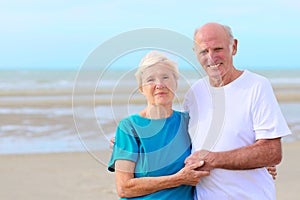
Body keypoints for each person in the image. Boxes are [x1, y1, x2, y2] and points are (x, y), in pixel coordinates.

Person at [183, 22, 292, 199]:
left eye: (217, 49)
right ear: (195, 53)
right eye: (204, 51)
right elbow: (187, 149)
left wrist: (213, 159)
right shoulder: (193, 93)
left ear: (233, 47)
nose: (211, 57)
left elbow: (272, 152)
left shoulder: (257, 86)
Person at [108, 51, 210, 199]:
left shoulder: (190, 122)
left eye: (165, 77)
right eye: (150, 80)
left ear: (175, 83)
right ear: (142, 88)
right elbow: (124, 188)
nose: (159, 84)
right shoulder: (129, 127)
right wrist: (178, 179)